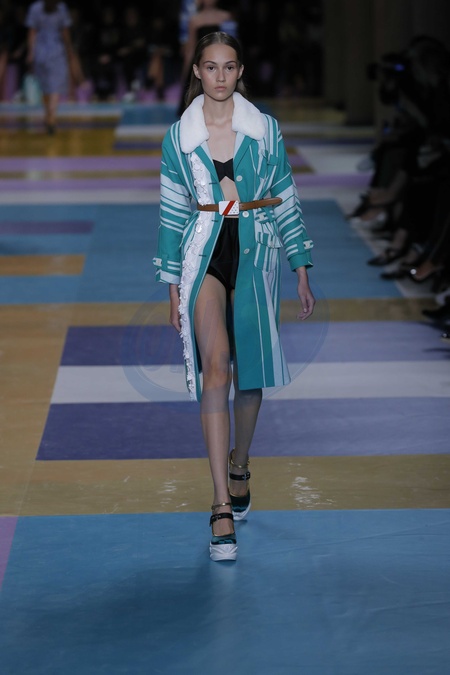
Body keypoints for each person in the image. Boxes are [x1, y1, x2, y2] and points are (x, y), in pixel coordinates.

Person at [154, 32, 315, 562]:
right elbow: (171, 213)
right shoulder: (179, 138)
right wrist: (172, 285)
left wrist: (300, 265)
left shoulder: (265, 131)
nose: (220, 76)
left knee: (249, 377)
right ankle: (221, 503)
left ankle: (240, 462)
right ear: (197, 72)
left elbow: (285, 194)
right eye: (210, 67)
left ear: (240, 71)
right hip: (203, 255)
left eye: (228, 67)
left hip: (256, 251)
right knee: (217, 368)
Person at [25, 0, 75, 134]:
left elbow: (65, 32)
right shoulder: (35, 8)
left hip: (57, 51)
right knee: (46, 86)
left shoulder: (61, 8)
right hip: (41, 51)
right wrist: (31, 53)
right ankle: (49, 115)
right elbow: (32, 32)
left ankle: (51, 118)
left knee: (55, 86)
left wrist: (69, 50)